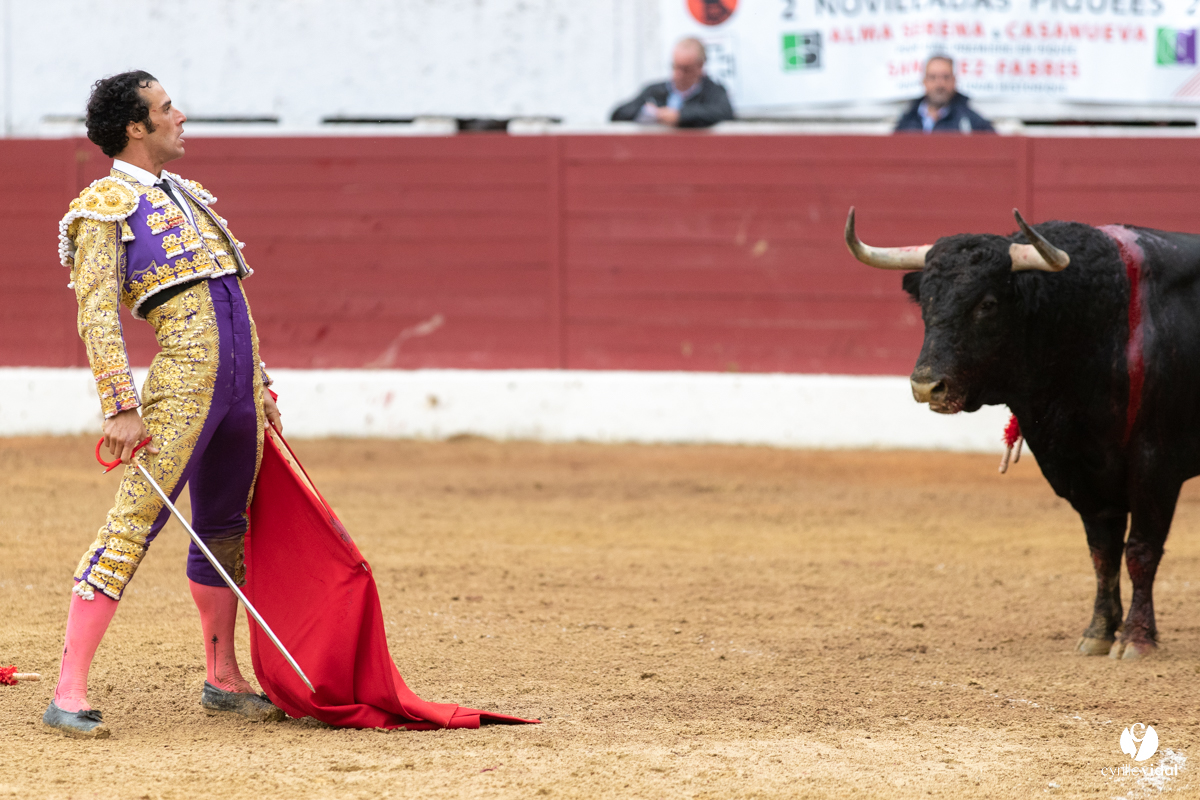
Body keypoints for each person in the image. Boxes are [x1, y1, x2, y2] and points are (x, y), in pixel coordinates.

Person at [44, 70, 284, 738]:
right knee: (131, 527)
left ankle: (222, 676)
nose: (180, 115)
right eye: (166, 108)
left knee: (224, 527)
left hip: (236, 393)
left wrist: (260, 389)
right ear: (135, 126)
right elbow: (96, 313)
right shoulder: (102, 207)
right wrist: (120, 404)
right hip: (180, 387)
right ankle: (69, 689)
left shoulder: (195, 197)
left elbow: (235, 301)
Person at [611, 37, 734, 128]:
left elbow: (724, 113)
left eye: (686, 69)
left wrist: (680, 116)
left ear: (700, 66)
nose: (678, 74)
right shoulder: (655, 91)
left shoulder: (713, 91)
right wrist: (647, 112)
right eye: (675, 67)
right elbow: (617, 114)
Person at [894, 56, 995, 134]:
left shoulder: (971, 121)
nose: (939, 84)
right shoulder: (907, 120)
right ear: (924, 81)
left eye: (945, 77)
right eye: (933, 77)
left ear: (954, 81)